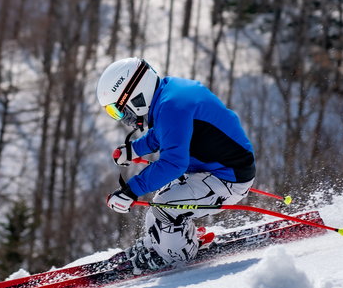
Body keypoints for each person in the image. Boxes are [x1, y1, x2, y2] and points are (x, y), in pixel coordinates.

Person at [97, 57, 257, 271]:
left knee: (165, 208)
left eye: (118, 110)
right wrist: (134, 149)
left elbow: (174, 163)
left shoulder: (172, 105)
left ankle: (177, 255)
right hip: (212, 170)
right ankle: (162, 243)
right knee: (159, 206)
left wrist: (130, 191)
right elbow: (165, 134)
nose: (121, 118)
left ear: (135, 96)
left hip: (229, 178)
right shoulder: (169, 95)